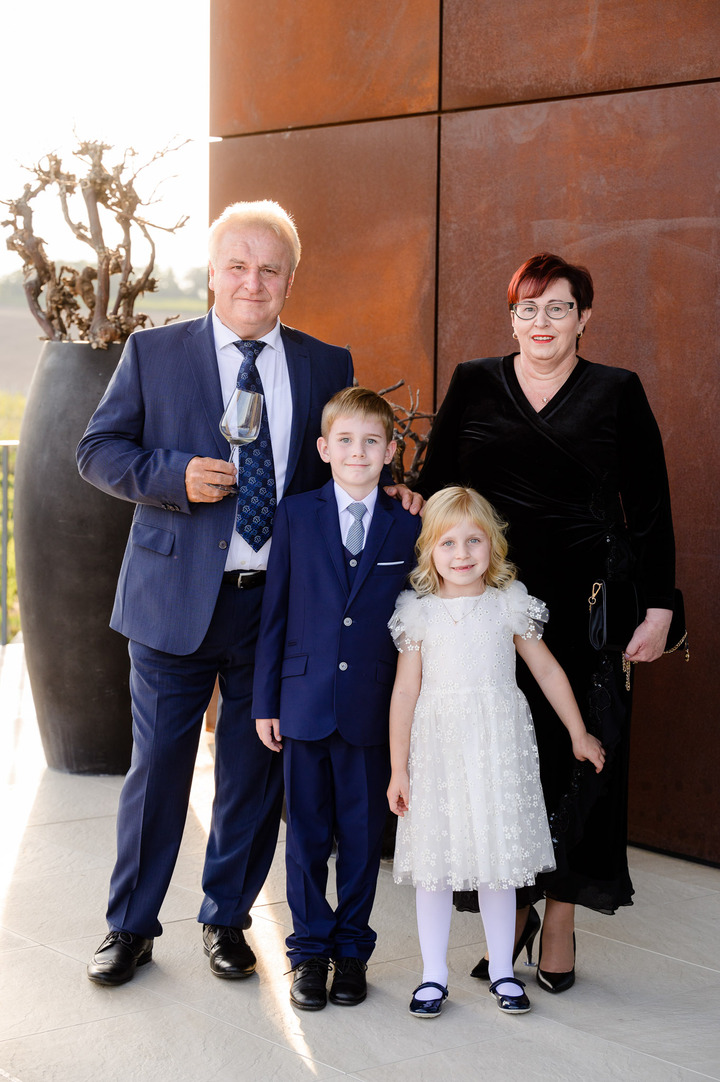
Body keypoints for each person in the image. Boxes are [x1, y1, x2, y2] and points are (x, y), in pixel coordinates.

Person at [76, 200, 392, 987]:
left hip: (279, 610)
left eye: (270, 269)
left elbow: (341, 470)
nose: (254, 281)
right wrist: (170, 477)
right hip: (171, 599)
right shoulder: (153, 353)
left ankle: (226, 918)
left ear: (290, 280)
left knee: (255, 772)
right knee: (160, 774)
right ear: (213, 273)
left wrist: (400, 499)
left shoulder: (326, 364)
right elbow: (97, 451)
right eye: (238, 265)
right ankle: (131, 927)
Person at [417, 253, 675, 993]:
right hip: (489, 602)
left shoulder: (617, 392)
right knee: (508, 762)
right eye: (526, 309)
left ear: (584, 317)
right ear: (510, 318)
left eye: (557, 308)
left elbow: (650, 510)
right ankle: (518, 905)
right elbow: (437, 489)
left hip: (591, 608)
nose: (541, 323)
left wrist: (659, 608)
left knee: (585, 758)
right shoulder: (474, 381)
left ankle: (559, 915)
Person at [386, 486, 604, 1016]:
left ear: (493, 545)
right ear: (429, 552)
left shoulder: (508, 604)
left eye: (474, 541)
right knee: (435, 863)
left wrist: (577, 731)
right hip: (437, 751)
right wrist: (399, 769)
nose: (462, 554)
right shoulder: (419, 614)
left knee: (497, 864)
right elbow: (405, 692)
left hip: (496, 748)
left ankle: (503, 970)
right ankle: (433, 974)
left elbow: (547, 670)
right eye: (448, 544)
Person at [253, 387, 422, 1010]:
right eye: (345, 441)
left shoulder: (409, 523)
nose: (358, 452)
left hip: (373, 709)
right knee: (304, 836)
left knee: (361, 835)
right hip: (301, 702)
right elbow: (275, 612)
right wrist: (265, 700)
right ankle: (309, 953)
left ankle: (352, 951)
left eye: (371, 442)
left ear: (390, 450)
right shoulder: (295, 514)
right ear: (324, 448)